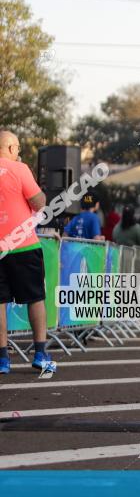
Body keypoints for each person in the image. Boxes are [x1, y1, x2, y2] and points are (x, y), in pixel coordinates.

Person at [0, 130, 56, 374]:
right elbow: (39, 201)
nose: (19, 151)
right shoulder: (19, 168)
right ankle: (40, 354)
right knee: (35, 297)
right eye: (18, 147)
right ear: (11, 148)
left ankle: (2, 359)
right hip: (23, 243)